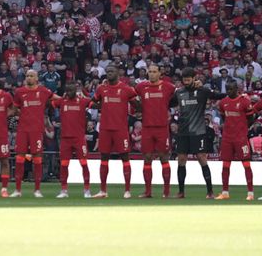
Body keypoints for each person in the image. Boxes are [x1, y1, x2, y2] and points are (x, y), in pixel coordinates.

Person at [171, 67, 224, 198]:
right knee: (181, 159)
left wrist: (236, 94)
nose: (186, 81)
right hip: (183, 132)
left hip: (198, 131)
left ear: (194, 78)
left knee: (202, 158)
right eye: (184, 79)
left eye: (188, 79)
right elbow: (168, 103)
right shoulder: (179, 92)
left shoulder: (202, 91)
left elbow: (218, 95)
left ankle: (210, 192)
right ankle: (181, 192)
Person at [92, 65, 138, 198]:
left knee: (125, 157)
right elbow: (92, 103)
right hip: (105, 128)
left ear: (117, 73)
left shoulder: (126, 89)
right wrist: (103, 105)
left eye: (111, 71)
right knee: (104, 157)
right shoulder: (101, 88)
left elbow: (137, 104)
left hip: (121, 129)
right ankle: (103, 191)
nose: (109, 74)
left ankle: (127, 190)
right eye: (107, 72)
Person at [10, 70, 56, 197]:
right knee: (19, 157)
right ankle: (18, 190)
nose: (28, 78)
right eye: (27, 76)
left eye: (31, 76)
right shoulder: (19, 92)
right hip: (22, 129)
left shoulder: (44, 91)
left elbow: (55, 98)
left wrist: (68, 98)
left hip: (36, 130)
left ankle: (37, 190)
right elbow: (14, 109)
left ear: (36, 78)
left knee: (37, 157)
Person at [135, 63, 175, 198]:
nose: (151, 74)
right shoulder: (141, 87)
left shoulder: (168, 87)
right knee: (147, 159)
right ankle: (148, 192)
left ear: (160, 73)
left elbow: (179, 95)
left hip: (162, 128)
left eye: (154, 71)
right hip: (147, 128)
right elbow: (131, 96)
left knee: (164, 158)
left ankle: (166, 192)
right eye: (150, 71)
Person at [52, 82, 93, 198]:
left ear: (75, 91)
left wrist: (85, 94)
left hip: (79, 138)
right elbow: (50, 102)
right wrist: (59, 97)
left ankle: (87, 190)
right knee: (64, 165)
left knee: (84, 164)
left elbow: (94, 102)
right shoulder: (62, 102)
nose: (69, 93)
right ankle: (64, 190)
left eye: (71, 91)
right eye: (67, 91)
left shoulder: (82, 101)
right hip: (65, 138)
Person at [215, 81, 255, 200]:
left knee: (246, 164)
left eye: (231, 89)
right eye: (227, 89)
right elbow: (223, 117)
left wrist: (242, 129)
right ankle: (225, 192)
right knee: (225, 164)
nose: (229, 91)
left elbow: (251, 118)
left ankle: (250, 193)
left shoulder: (245, 102)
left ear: (237, 89)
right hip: (227, 138)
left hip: (241, 138)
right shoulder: (223, 103)